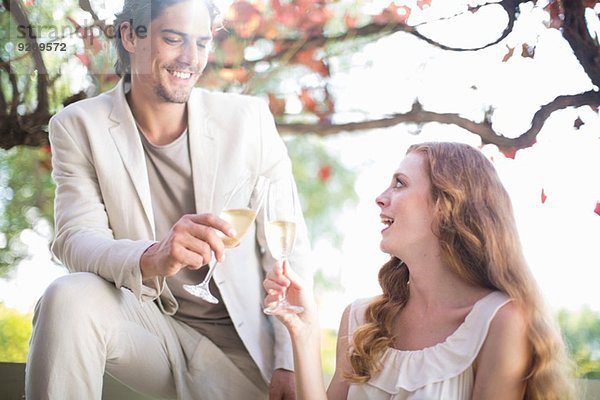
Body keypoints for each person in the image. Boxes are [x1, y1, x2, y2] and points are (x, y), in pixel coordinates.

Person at [25, 0, 312, 399]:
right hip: (149, 335)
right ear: (130, 36)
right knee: (67, 296)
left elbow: (289, 253)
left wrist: (290, 362)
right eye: (174, 39)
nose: (190, 59)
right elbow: (76, 239)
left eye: (201, 42)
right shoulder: (77, 127)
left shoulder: (248, 121)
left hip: (242, 358)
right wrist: (153, 257)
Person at [264, 141, 576, 400]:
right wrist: (304, 334)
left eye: (399, 184)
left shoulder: (501, 321)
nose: (380, 198)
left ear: (446, 206)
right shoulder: (361, 318)